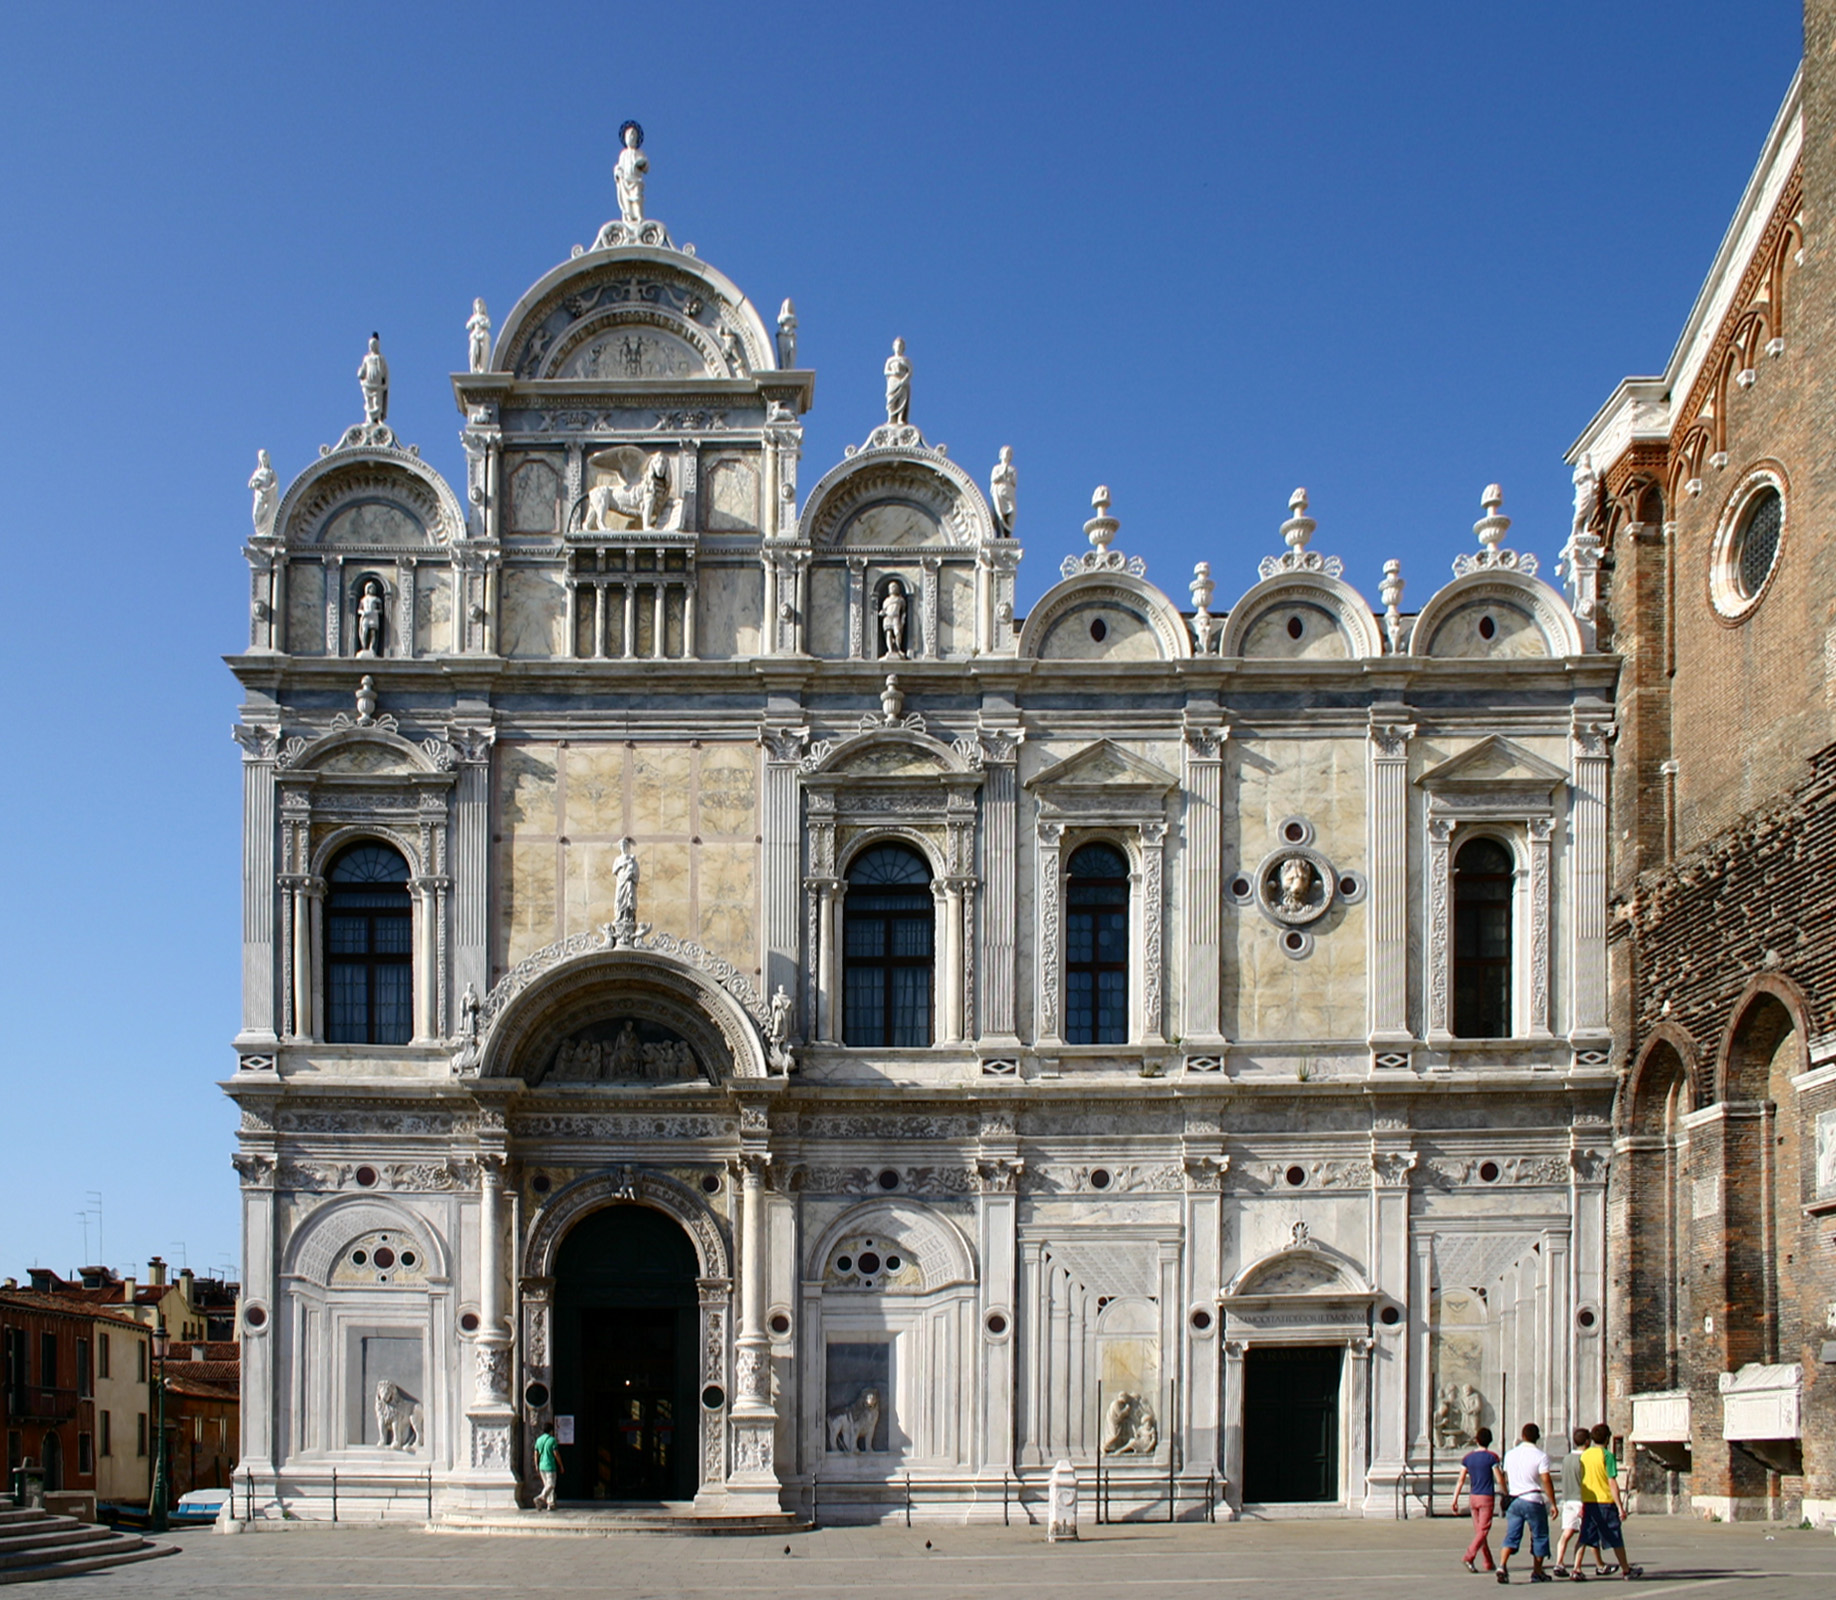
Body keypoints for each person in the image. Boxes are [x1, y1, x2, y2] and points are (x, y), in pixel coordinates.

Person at [1579, 1423, 1642, 1579]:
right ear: (1607, 1438)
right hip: (1605, 1501)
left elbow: (1582, 1479)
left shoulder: (1584, 1455)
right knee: (1615, 1536)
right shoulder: (1607, 1456)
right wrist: (1620, 1507)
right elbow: (1612, 1482)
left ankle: (1576, 1568)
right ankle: (1626, 1569)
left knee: (1585, 1536)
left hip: (1589, 1500)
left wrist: (1582, 1502)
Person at [1497, 1422, 1555, 1584]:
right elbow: (1546, 1480)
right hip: (1532, 1498)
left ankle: (1502, 1565)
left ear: (1522, 1436)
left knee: (1512, 1535)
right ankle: (1537, 1571)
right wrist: (1553, 1502)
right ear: (1537, 1437)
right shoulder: (1541, 1456)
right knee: (1540, 1535)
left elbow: (1506, 1476)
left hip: (1515, 1500)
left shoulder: (1510, 1455)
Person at [1450, 1426, 1502, 1573]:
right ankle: (1469, 1555)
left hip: (1473, 1497)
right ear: (1490, 1441)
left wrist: (1455, 1499)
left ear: (1476, 1440)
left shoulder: (1467, 1458)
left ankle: (1488, 1561)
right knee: (1483, 1530)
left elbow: (1460, 1480)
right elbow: (1499, 1478)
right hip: (1486, 1497)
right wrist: (1505, 1492)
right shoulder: (1492, 1457)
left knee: (1480, 1531)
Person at [1551, 1427, 1591, 1579]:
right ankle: (1577, 1568)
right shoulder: (1585, 1459)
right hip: (1581, 1500)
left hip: (1567, 1499)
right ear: (1587, 1442)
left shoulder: (1566, 1458)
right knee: (1583, 1536)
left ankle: (1559, 1562)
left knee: (1566, 1533)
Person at [532, 1420, 562, 1510]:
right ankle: (541, 1498)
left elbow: (536, 1453)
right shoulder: (552, 1440)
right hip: (550, 1466)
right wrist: (560, 1465)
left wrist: (536, 1464)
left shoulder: (539, 1440)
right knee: (551, 1484)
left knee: (547, 1485)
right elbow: (556, 1453)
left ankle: (551, 1504)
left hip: (541, 1465)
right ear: (551, 1430)